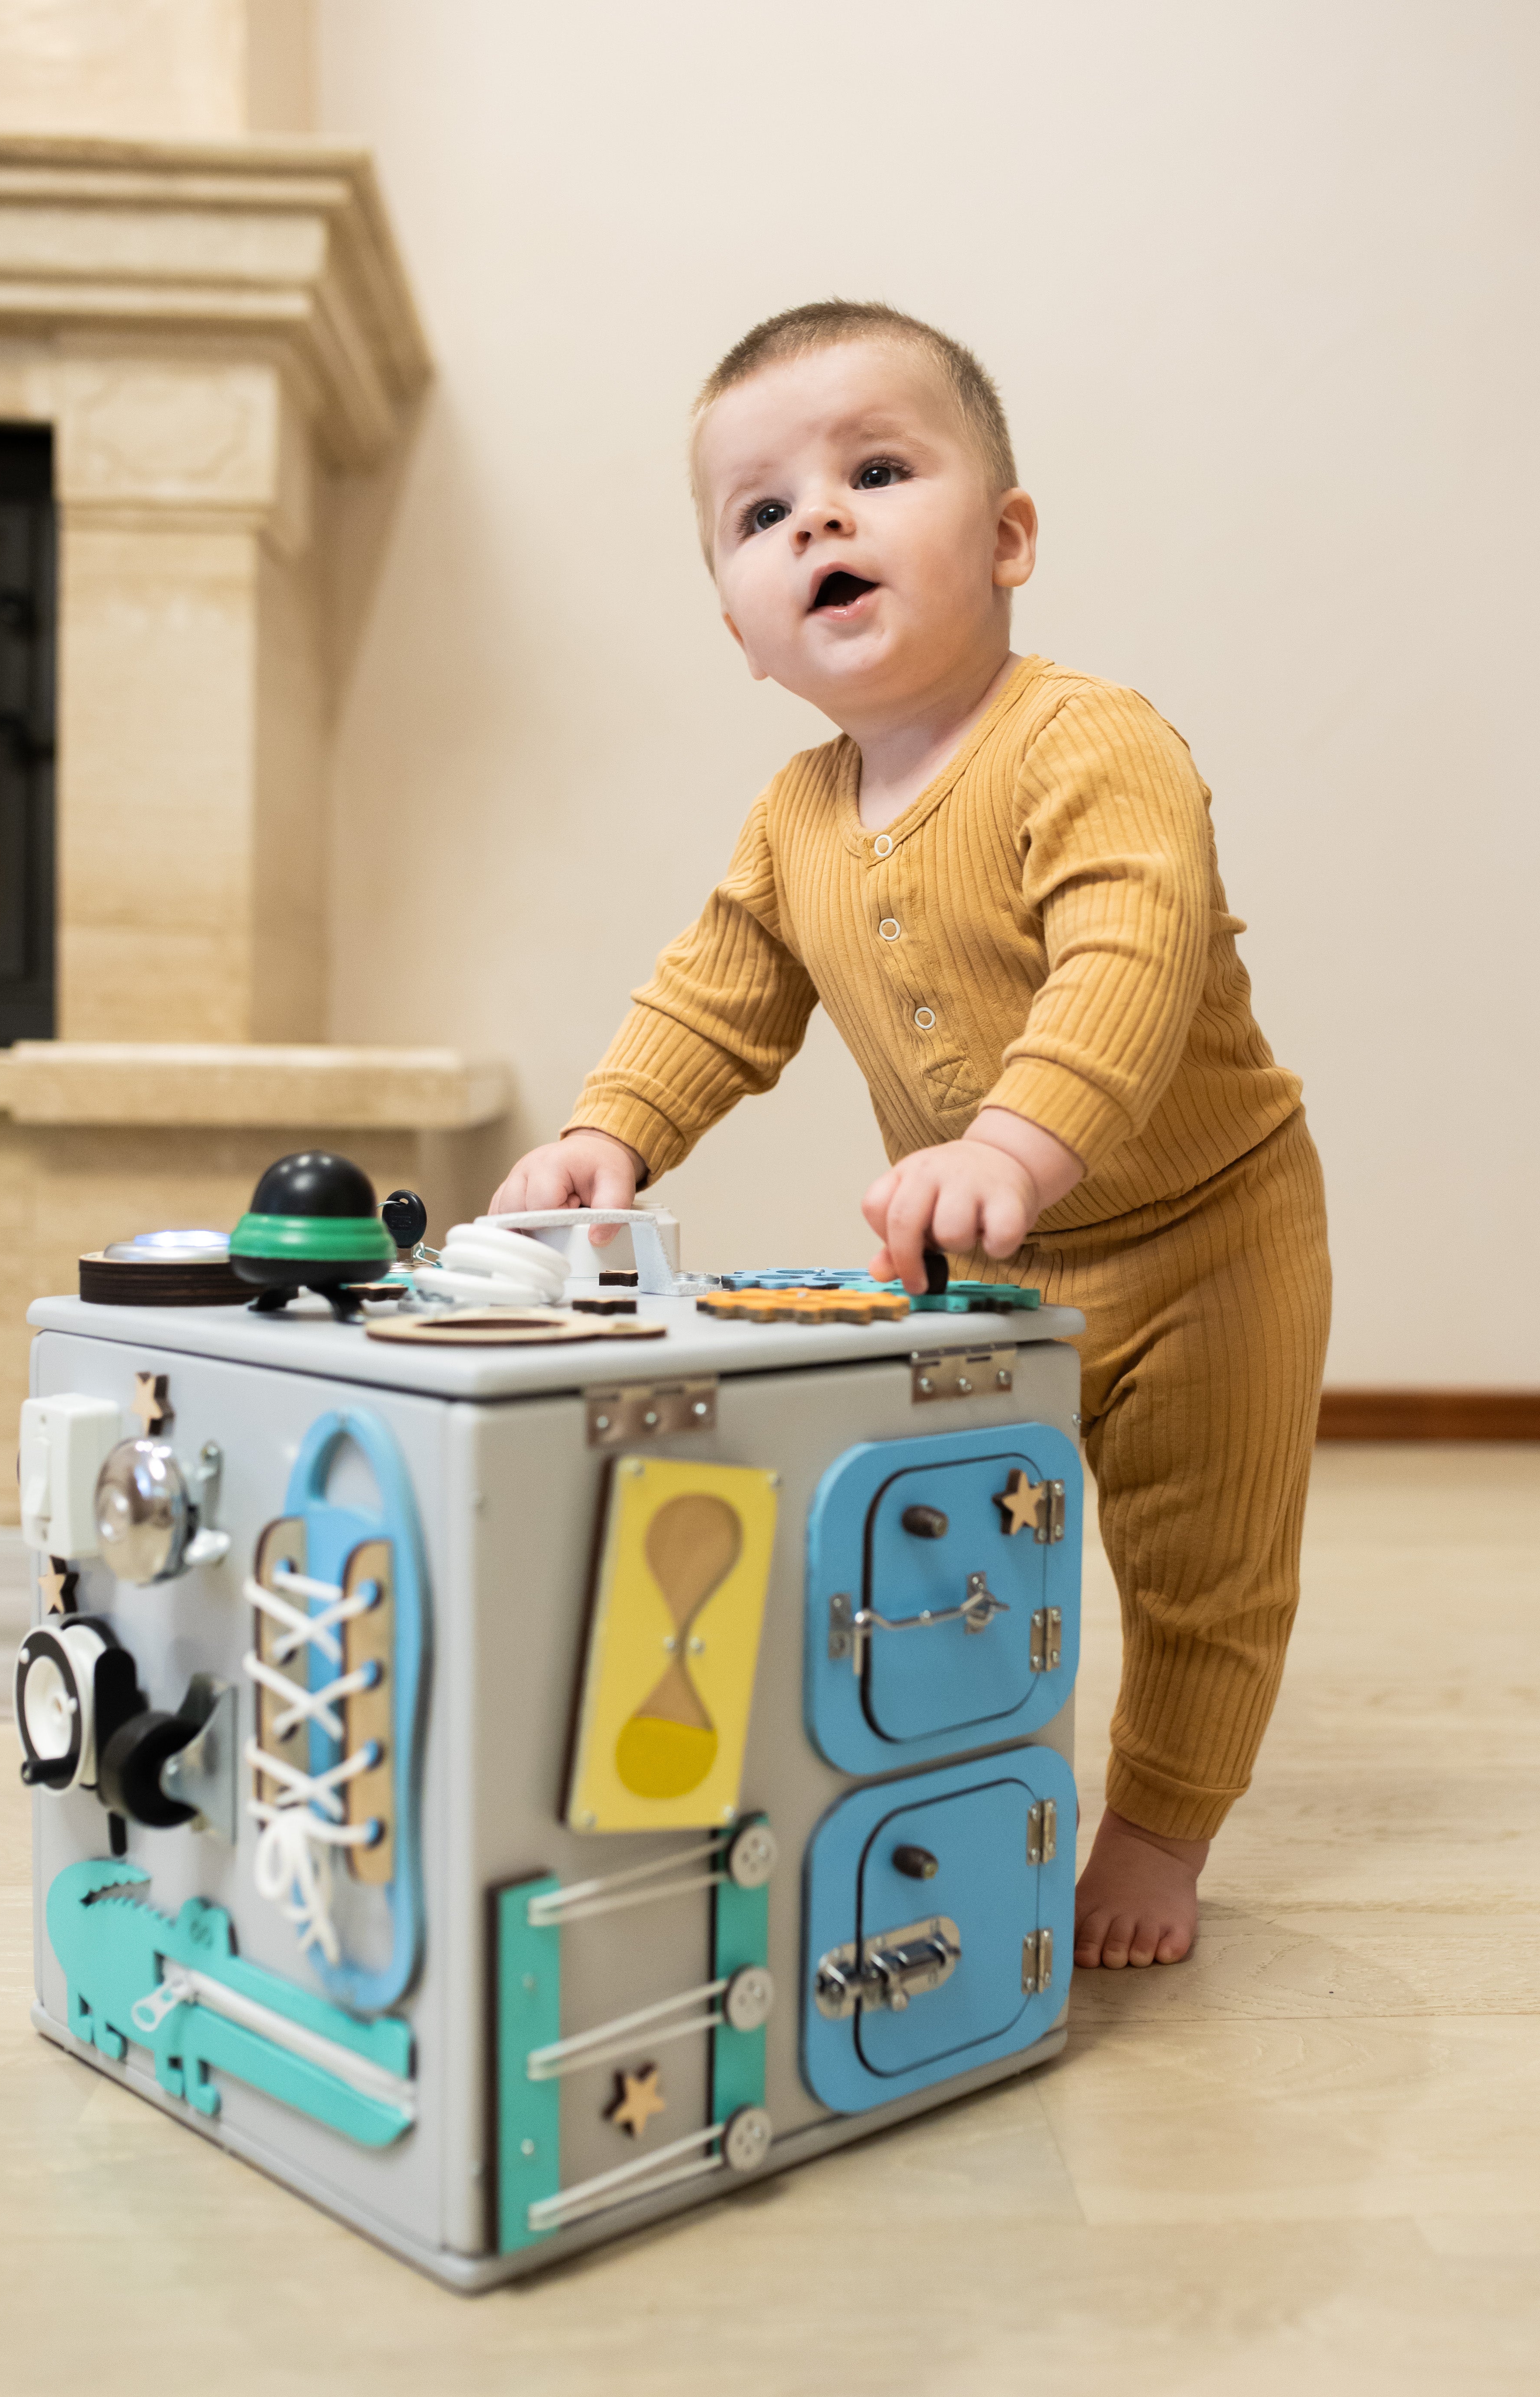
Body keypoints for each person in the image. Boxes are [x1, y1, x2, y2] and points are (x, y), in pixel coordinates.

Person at [491, 300, 1331, 1969]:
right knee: (943, 1529)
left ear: (1007, 537)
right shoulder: (796, 815)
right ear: (742, 627)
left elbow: (1127, 957)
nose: (818, 518)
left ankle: (1158, 1825)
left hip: (1208, 1234)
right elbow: (716, 992)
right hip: (980, 1273)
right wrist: (610, 1134)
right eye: (761, 512)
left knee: (1201, 1561)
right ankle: (942, 1780)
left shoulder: (1090, 741)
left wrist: (1017, 1142)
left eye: (875, 469)